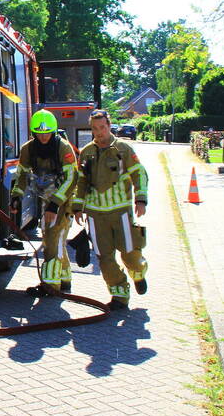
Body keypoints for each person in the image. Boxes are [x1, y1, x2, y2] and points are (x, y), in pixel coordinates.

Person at [71, 109, 149, 310]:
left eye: (102, 127)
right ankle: (119, 295)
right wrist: (78, 207)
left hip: (121, 212)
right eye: (95, 129)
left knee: (130, 253)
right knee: (104, 258)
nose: (99, 132)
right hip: (96, 215)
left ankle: (138, 272)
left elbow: (139, 173)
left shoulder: (122, 149)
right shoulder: (87, 152)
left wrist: (141, 199)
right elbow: (81, 181)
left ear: (109, 125)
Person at [10, 109, 80, 294]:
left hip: (63, 201)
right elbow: (22, 175)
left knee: (51, 241)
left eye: (47, 133)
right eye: (39, 134)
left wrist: (55, 204)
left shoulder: (63, 148)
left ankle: (50, 285)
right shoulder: (28, 149)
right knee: (55, 240)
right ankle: (64, 280)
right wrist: (16, 196)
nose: (43, 137)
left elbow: (71, 178)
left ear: (54, 131)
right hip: (44, 200)